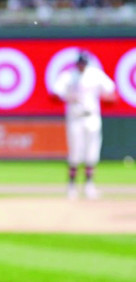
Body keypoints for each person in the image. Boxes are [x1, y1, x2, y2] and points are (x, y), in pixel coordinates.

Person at [51, 51, 117, 200]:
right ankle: (72, 186)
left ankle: (89, 185)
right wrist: (68, 97)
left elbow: (111, 92)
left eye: (84, 63)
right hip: (75, 117)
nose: (82, 66)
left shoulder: (94, 75)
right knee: (75, 152)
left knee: (92, 152)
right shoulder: (69, 76)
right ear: (77, 63)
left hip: (92, 116)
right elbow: (55, 93)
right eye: (80, 63)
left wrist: (106, 98)